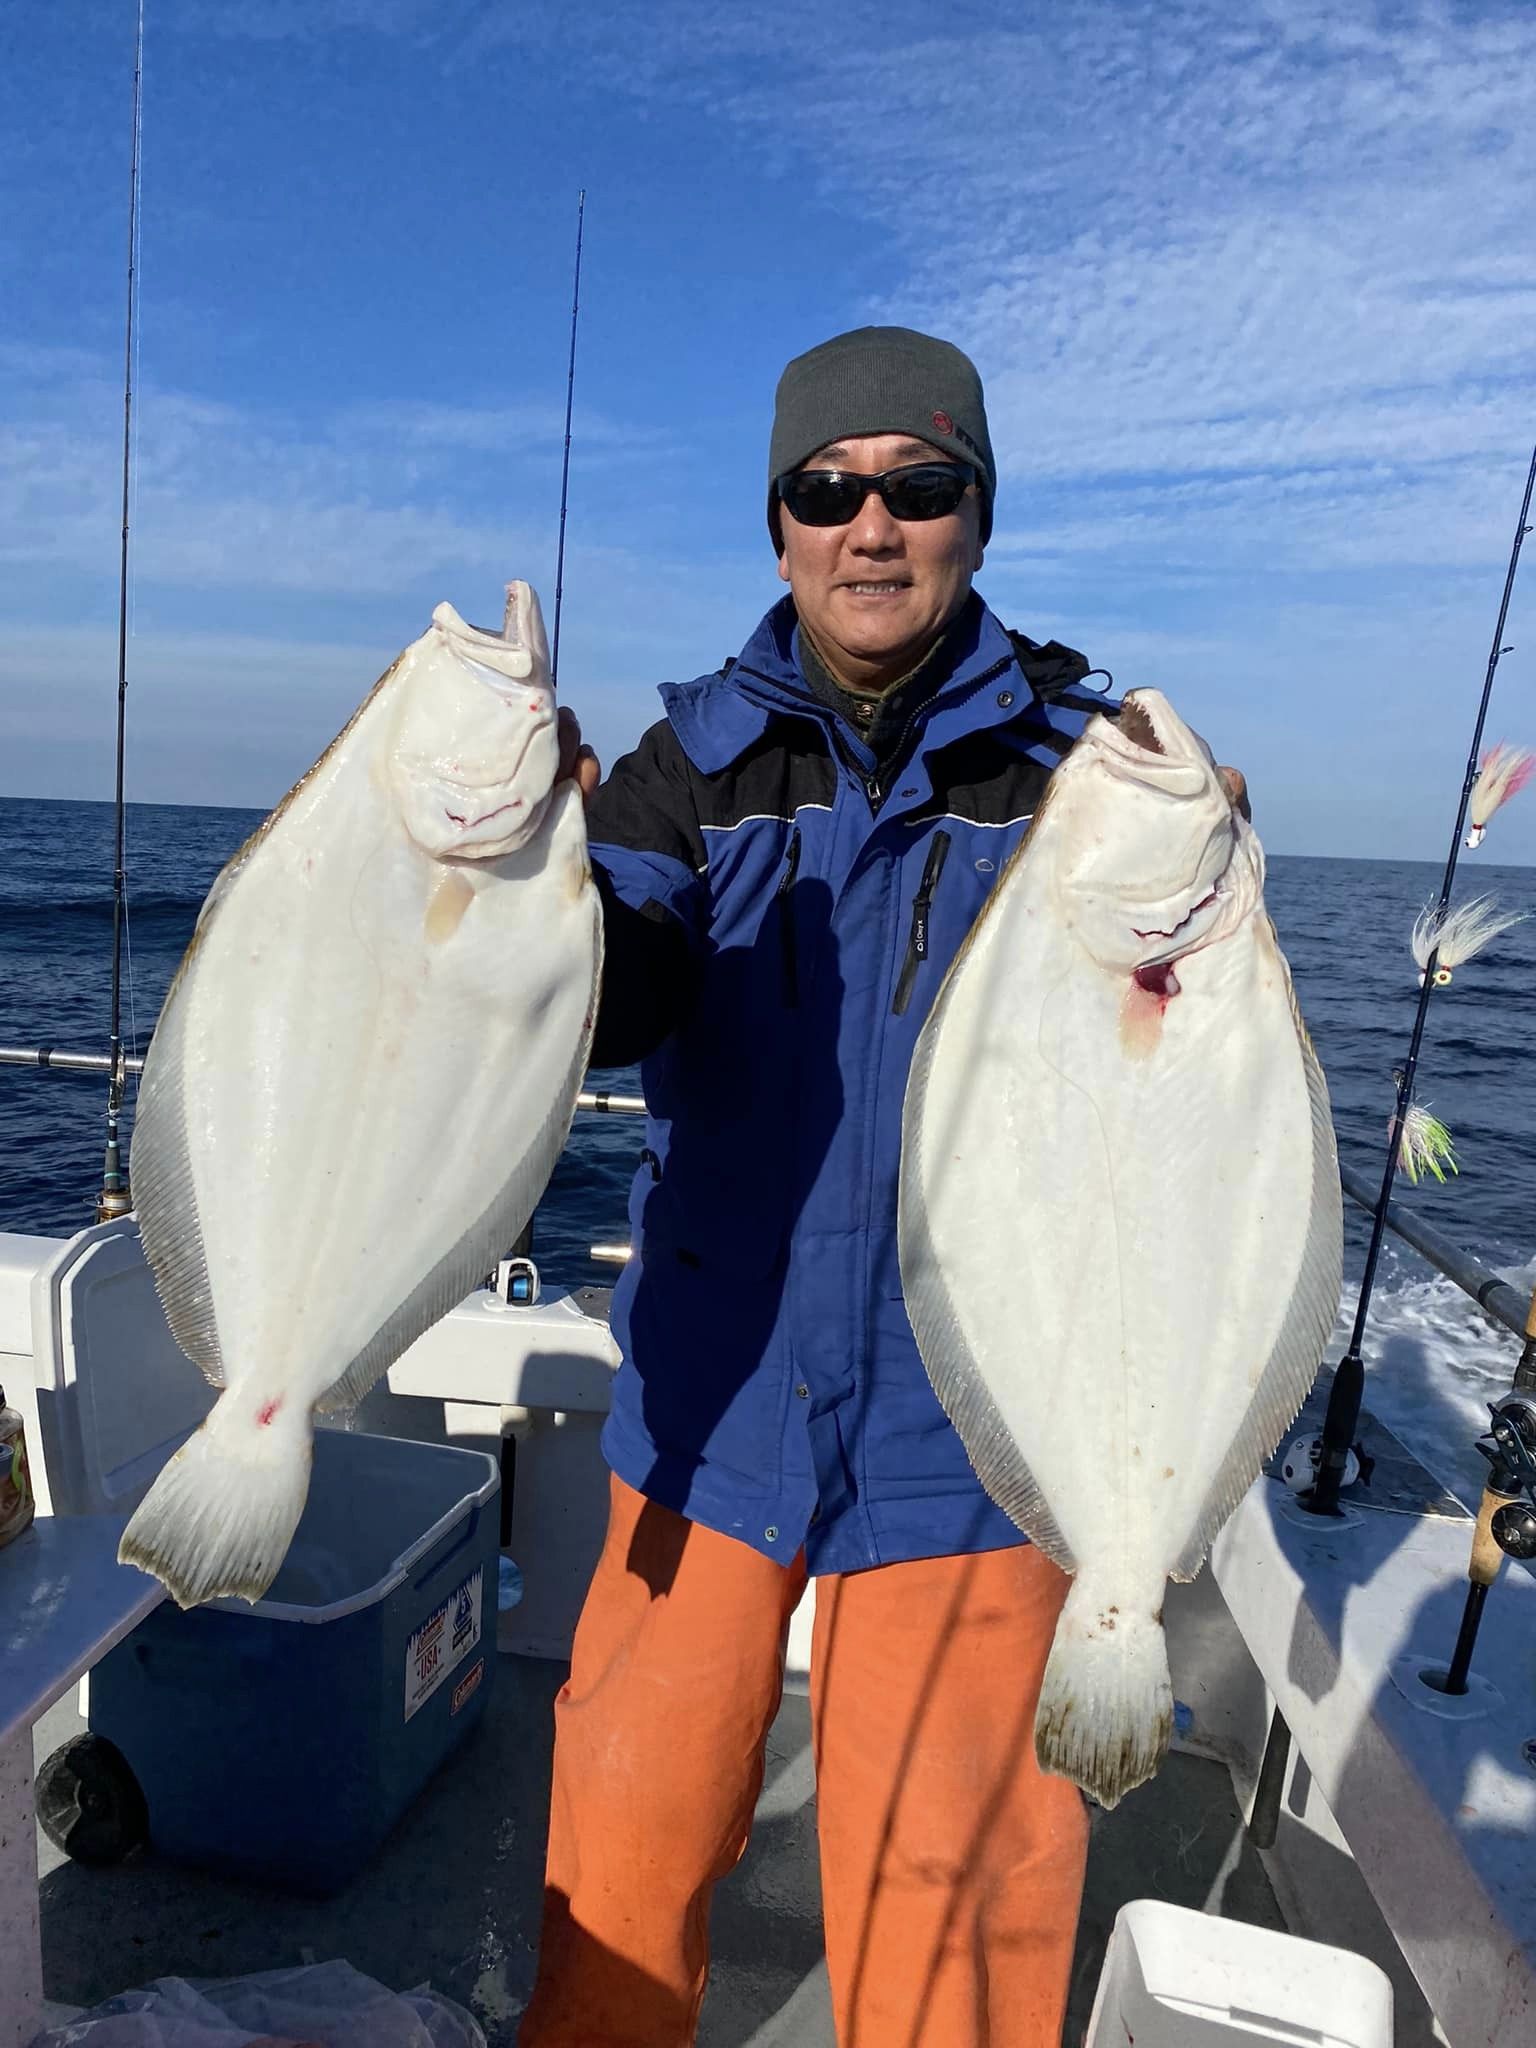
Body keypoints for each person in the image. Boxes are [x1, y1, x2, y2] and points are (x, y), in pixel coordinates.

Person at [520, 326, 1244, 2048]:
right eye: (825, 489)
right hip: (710, 1412)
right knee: (615, 1875)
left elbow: (1192, 1110)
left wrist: (1210, 879)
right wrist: (540, 900)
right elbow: (619, 996)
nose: (871, 526)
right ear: (777, 524)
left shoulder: (1082, 775)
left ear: (977, 515)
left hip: (977, 1440)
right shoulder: (684, 771)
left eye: (918, 488)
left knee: (954, 1946)